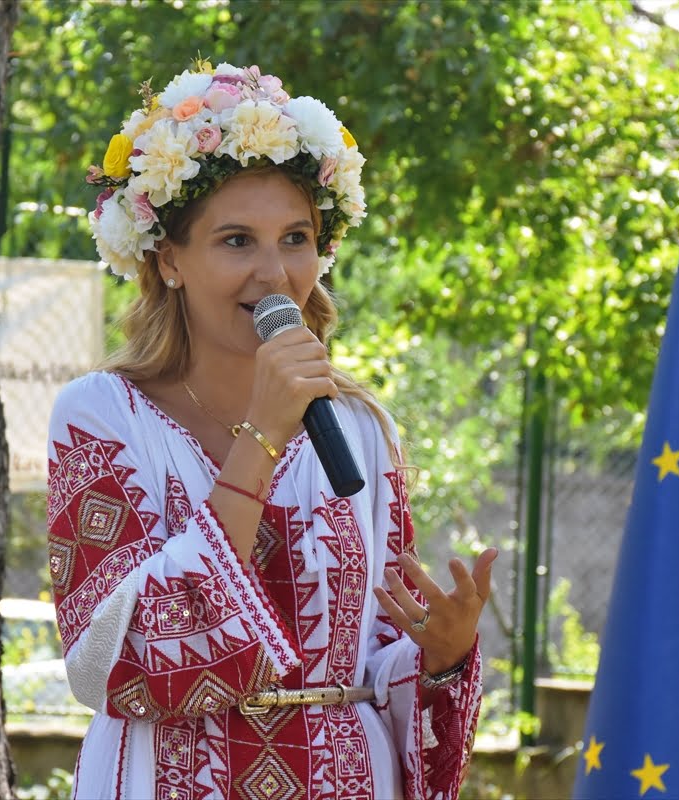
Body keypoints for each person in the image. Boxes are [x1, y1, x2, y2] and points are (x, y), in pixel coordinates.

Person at [46, 59, 498, 800]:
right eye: (236, 241)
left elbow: (377, 653)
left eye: (295, 238)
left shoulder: (361, 427)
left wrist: (442, 655)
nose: (275, 272)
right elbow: (113, 664)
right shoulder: (102, 414)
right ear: (170, 260)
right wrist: (261, 435)